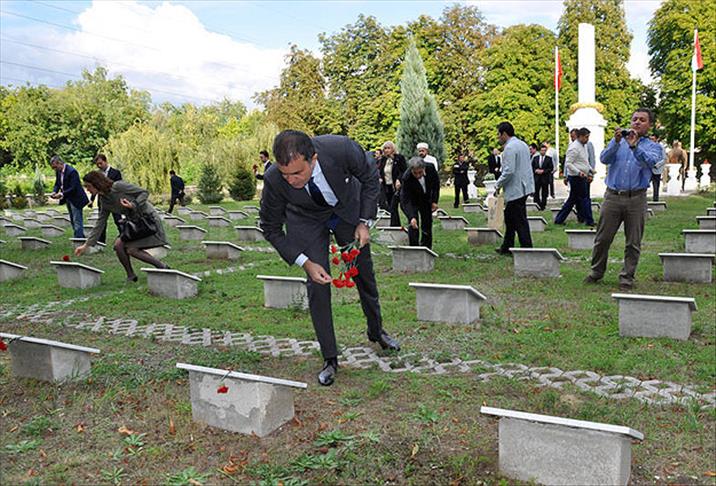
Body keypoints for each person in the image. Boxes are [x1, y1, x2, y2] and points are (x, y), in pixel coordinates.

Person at [259, 130, 400, 386]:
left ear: (313, 158)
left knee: (364, 274)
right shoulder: (274, 179)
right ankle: (330, 357)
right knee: (318, 286)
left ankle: (376, 330)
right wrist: (305, 262)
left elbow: (370, 177)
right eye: (285, 174)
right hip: (306, 219)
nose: (290, 180)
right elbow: (269, 227)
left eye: (297, 173)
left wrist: (364, 221)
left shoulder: (340, 149)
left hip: (347, 210)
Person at [584, 108, 663, 290]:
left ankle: (627, 277)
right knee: (602, 238)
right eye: (634, 119)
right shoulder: (618, 142)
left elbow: (651, 162)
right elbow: (604, 158)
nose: (636, 122)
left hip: (636, 198)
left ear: (649, 125)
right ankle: (596, 272)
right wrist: (616, 141)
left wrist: (635, 146)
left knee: (633, 241)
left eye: (642, 120)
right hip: (612, 196)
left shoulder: (653, 147)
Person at [76, 171, 169, 282]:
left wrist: (133, 204)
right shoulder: (103, 200)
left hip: (148, 222)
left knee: (131, 249)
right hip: (133, 225)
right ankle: (131, 276)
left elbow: (144, 192)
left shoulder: (119, 186)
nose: (87, 189)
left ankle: (162, 266)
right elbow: (100, 223)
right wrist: (87, 245)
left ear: (97, 183)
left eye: (88, 186)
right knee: (118, 245)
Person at [494, 121, 534, 254]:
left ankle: (527, 248)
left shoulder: (510, 148)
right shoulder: (522, 144)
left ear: (504, 134)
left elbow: (509, 171)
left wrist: (498, 184)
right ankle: (507, 246)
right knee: (510, 218)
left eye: (499, 135)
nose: (498, 138)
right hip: (524, 186)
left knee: (519, 219)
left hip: (515, 189)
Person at [555, 128, 595, 226]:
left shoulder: (583, 146)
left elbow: (584, 161)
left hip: (581, 176)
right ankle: (589, 221)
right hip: (577, 178)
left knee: (572, 199)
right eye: (586, 137)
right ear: (580, 136)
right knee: (585, 199)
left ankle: (559, 219)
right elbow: (568, 163)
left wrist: (590, 169)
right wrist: (578, 172)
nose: (587, 139)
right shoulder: (574, 147)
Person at [400, 156, 440, 248]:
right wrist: (411, 217)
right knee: (413, 224)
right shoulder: (406, 178)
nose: (418, 175)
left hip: (426, 198)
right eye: (415, 173)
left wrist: (434, 201)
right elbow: (406, 200)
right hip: (412, 200)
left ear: (424, 168)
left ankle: (427, 247)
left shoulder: (431, 168)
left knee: (427, 222)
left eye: (420, 172)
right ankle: (414, 247)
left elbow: (436, 185)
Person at [49, 155, 88, 238]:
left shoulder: (72, 171)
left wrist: (62, 194)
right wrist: (54, 191)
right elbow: (58, 183)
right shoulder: (58, 172)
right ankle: (80, 237)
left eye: (55, 167)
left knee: (77, 219)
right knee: (72, 219)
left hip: (76, 198)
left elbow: (74, 187)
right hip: (68, 198)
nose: (54, 169)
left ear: (60, 163)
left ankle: (79, 239)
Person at [89, 154, 123, 244]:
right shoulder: (97, 174)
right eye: (97, 164)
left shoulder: (115, 173)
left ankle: (124, 237)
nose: (99, 166)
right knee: (102, 221)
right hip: (102, 201)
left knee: (118, 220)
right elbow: (95, 188)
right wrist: (91, 200)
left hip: (114, 201)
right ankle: (101, 241)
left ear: (105, 161)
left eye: (100, 163)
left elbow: (119, 187)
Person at [377, 141, 407, 227]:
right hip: (387, 186)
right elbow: (380, 171)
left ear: (393, 149)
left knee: (401, 205)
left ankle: (411, 219)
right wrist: (380, 178)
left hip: (398, 186)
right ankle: (395, 225)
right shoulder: (383, 160)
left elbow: (403, 171)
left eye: (388, 148)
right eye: (385, 148)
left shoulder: (399, 158)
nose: (386, 150)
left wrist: (399, 179)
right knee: (391, 207)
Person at [531, 144, 554, 210]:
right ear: (539, 151)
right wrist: (536, 170)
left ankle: (543, 206)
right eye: (541, 150)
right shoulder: (536, 158)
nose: (543, 152)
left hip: (545, 178)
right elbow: (532, 167)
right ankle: (537, 204)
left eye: (544, 150)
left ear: (546, 151)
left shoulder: (549, 159)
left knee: (544, 193)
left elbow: (550, 168)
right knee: (536, 192)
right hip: (537, 178)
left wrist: (543, 171)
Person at [649, 135, 667, 201]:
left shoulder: (661, 147)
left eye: (652, 139)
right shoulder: (647, 147)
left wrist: (657, 165)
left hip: (657, 169)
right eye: (650, 139)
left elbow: (664, 159)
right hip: (648, 169)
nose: (651, 140)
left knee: (656, 185)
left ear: (656, 139)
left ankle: (655, 199)